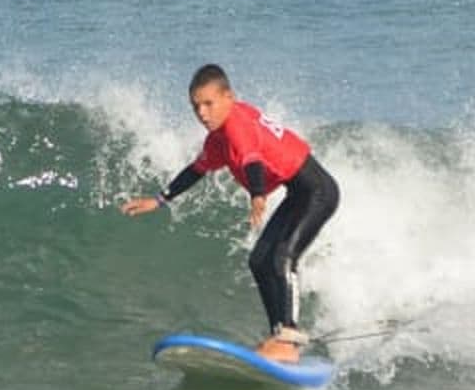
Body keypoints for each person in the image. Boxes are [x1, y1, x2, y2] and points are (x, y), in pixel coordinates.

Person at [120, 64, 339, 363]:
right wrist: (159, 200)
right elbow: (196, 170)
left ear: (229, 97)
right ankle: (279, 336)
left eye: (209, 104)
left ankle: (288, 339)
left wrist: (258, 193)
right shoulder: (218, 139)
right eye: (196, 107)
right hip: (298, 193)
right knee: (259, 261)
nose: (202, 113)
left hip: (318, 193)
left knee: (282, 257)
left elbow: (252, 159)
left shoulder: (237, 125)